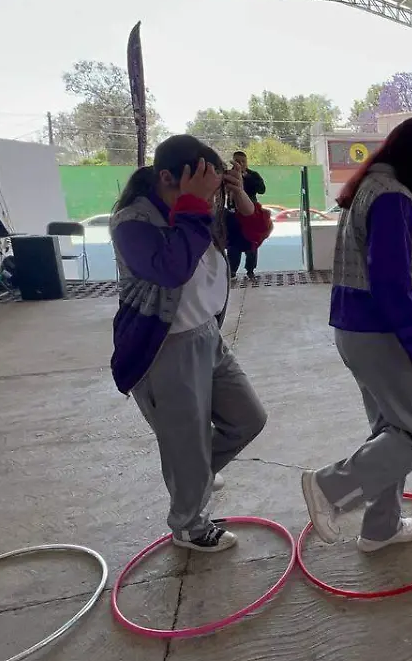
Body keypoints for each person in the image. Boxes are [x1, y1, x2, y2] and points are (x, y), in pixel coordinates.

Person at [110, 135, 274, 552]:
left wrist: (239, 198)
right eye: (200, 181)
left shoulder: (202, 207)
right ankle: (189, 526)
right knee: (185, 441)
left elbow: (253, 235)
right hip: (164, 344)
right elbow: (171, 269)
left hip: (207, 333)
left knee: (247, 419)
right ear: (166, 176)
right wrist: (196, 204)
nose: (208, 192)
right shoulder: (133, 221)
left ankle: (194, 474)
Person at [300, 117, 412, 552]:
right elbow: (390, 283)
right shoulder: (393, 199)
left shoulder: (370, 188)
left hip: (359, 330)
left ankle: (380, 527)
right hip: (382, 333)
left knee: (393, 430)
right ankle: (330, 488)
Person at [226, 151, 267, 281]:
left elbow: (262, 189)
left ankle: (250, 271)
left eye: (243, 161)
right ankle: (231, 271)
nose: (240, 163)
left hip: (251, 215)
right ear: (233, 161)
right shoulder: (228, 175)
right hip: (233, 214)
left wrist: (246, 177)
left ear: (246, 162)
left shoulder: (253, 175)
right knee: (233, 245)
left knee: (251, 243)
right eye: (237, 161)